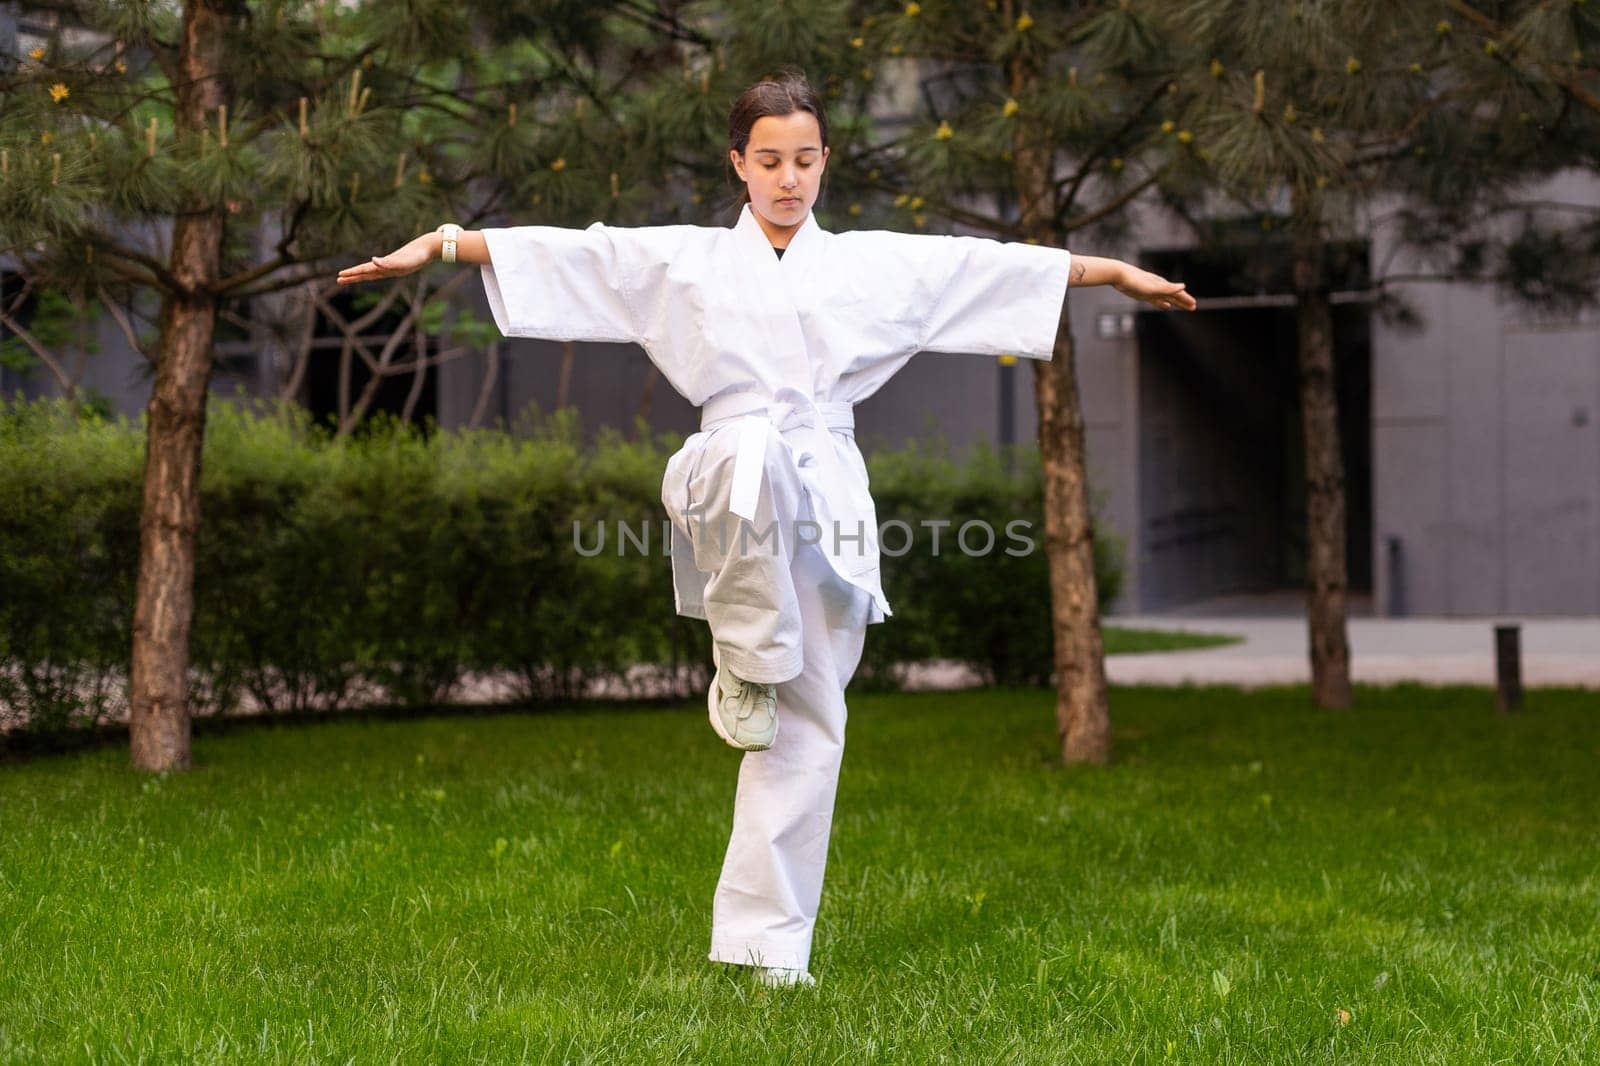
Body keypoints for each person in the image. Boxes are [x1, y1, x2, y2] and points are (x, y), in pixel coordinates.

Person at [338, 70, 1194, 989]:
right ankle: (747, 649)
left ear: (826, 162)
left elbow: (977, 266)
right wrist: (445, 243)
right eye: (771, 161)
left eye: (806, 160)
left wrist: (1111, 272)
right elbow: (586, 256)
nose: (789, 179)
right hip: (729, 474)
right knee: (755, 451)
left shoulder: (865, 263)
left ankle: (768, 951)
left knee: (812, 727)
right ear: (739, 164)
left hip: (830, 495)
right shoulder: (692, 261)